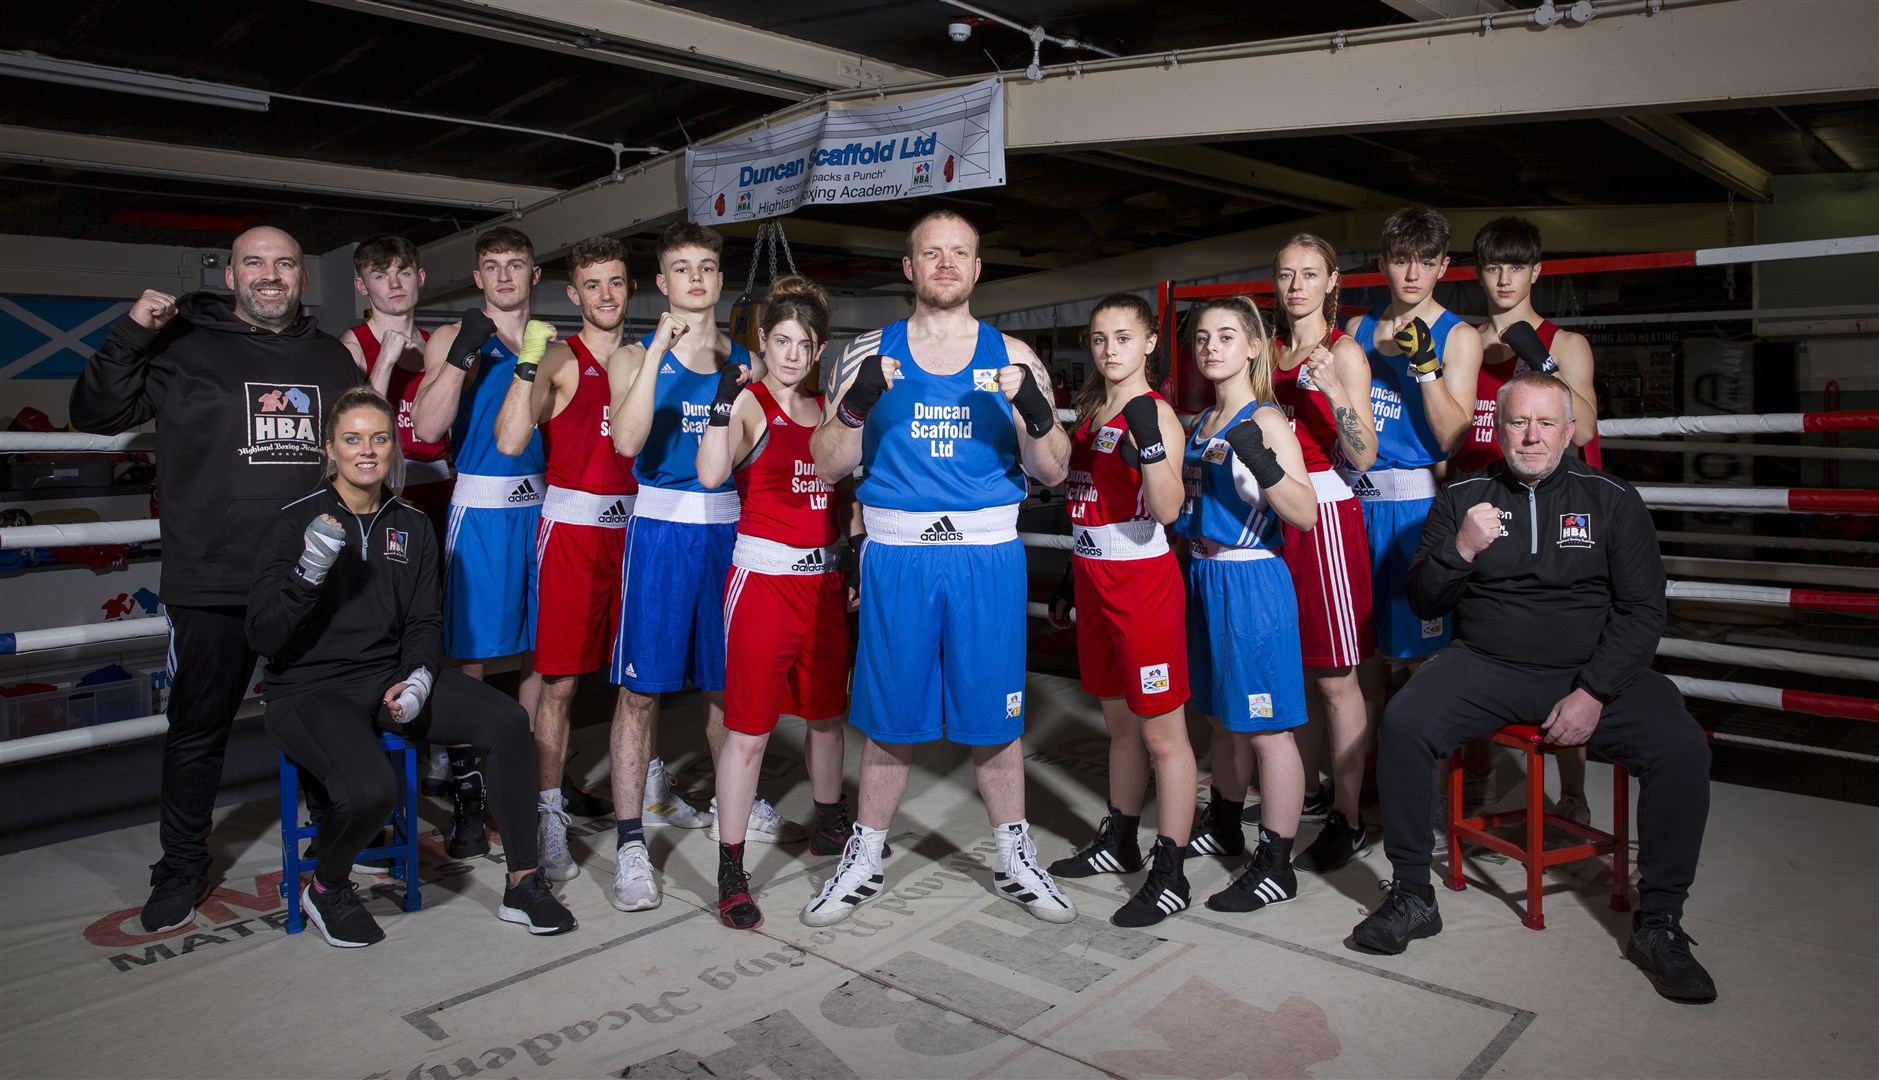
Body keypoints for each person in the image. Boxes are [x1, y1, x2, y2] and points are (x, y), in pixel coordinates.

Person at [1353, 371, 1715, 1005]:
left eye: (1547, 423)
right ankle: (1412, 896)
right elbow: (1421, 599)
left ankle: (1660, 925)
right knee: (1405, 724)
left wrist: (1595, 692)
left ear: (1569, 432)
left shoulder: (1611, 498)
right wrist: (1461, 548)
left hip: (1592, 670)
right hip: (1488, 662)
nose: (1532, 435)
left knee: (1682, 747)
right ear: (1499, 427)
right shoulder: (1464, 495)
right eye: (1519, 421)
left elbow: (1643, 611)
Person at [70, 225, 360, 933]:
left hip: (311, 578)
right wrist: (132, 333)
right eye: (254, 263)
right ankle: (182, 866)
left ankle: (332, 868)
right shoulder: (181, 346)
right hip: (212, 579)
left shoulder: (328, 357)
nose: (270, 275)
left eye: (285, 263)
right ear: (229, 276)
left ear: (301, 275)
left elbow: (356, 458)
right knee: (197, 731)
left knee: (328, 726)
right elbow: (95, 414)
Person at [801, 210, 1076, 927]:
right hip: (897, 556)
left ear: (977, 268)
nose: (946, 264)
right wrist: (859, 402)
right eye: (932, 254)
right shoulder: (866, 351)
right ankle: (863, 856)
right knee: (891, 718)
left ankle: (1014, 856)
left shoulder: (1011, 354)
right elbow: (824, 464)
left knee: (996, 717)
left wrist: (1035, 409)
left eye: (959, 254)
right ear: (909, 266)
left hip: (985, 556)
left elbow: (1055, 470)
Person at [247, 388, 576, 947]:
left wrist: (420, 676)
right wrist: (307, 575)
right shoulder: (292, 523)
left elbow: (424, 621)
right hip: (307, 689)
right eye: (352, 439)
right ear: (329, 449)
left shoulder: (412, 525)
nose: (367, 451)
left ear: (393, 445)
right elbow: (263, 636)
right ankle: (326, 888)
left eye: (378, 438)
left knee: (506, 723)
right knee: (372, 789)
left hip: (385, 677)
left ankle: (522, 882)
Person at [608, 223, 797, 911]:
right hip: (659, 531)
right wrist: (660, 347)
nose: (695, 278)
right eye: (681, 268)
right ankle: (631, 842)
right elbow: (627, 443)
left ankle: (729, 807)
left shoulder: (747, 361)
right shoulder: (633, 356)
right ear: (661, 283)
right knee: (638, 694)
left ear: (719, 281)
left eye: (707, 267)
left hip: (727, 534)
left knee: (727, 687)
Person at [489, 236, 667, 907]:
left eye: (615, 282)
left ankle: (633, 820)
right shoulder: (560, 359)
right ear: (573, 293)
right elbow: (509, 440)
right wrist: (526, 364)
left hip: (638, 534)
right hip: (570, 535)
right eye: (592, 284)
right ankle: (548, 817)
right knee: (559, 684)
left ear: (629, 287)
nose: (605, 295)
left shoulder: (647, 358)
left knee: (635, 683)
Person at [697, 276, 865, 931]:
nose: (792, 354)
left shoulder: (828, 410)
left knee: (826, 717)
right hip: (762, 583)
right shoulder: (751, 402)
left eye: (804, 344)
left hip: (821, 584)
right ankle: (730, 869)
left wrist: (849, 553)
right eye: (781, 341)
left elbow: (843, 494)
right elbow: (711, 473)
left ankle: (829, 822)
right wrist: (718, 403)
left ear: (818, 349)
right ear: (762, 341)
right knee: (749, 733)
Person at [1043, 292, 1195, 927]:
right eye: (1100, 339)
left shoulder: (1154, 414)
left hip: (1141, 584)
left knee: (1164, 734)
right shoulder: (1089, 412)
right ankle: (1122, 838)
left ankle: (1171, 870)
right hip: (1093, 579)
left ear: (1150, 343)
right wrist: (1067, 581)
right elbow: (1078, 497)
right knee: (1121, 728)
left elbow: (1166, 509)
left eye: (1124, 338)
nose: (1110, 350)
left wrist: (1151, 448)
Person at [1175, 297, 1321, 914]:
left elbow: (1305, 513)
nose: (1212, 346)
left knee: (1268, 730)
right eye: (1204, 336)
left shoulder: (1268, 421)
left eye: (1227, 335)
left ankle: (1276, 862)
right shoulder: (1203, 420)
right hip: (1203, 576)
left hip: (1252, 582)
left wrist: (1262, 462)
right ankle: (1228, 821)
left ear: (1255, 346)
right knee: (1218, 716)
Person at [410, 226, 547, 861]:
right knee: (469, 660)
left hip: (544, 507)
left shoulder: (554, 344)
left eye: (514, 265)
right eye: (491, 267)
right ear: (476, 277)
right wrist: (466, 353)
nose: (503, 278)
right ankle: (468, 796)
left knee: (543, 656)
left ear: (534, 275)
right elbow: (429, 428)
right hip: (482, 508)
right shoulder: (449, 336)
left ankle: (533, 779)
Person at [1465, 216, 1605, 823]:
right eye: (1493, 266)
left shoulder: (1566, 342)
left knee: (1565, 647)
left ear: (1535, 272)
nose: (1503, 278)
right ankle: (1477, 776)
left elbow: (1589, 427)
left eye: (1515, 266)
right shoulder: (1465, 341)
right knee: (1474, 637)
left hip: (1556, 510)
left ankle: (1571, 789)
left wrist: (1540, 363)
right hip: (1484, 502)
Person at [1344, 208, 1483, 808]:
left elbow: (1453, 437)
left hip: (1417, 512)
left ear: (1443, 267)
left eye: (1426, 261)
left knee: (1425, 660)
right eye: (1401, 259)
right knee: (1361, 659)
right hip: (1354, 503)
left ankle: (1424, 792)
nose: (1412, 272)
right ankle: (1365, 774)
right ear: (1383, 263)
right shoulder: (1354, 329)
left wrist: (1425, 367)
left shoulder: (1460, 336)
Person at [1268, 235, 1379, 873]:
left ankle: (1349, 817)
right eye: (1286, 275)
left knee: (1338, 679)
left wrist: (1335, 391)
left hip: (1329, 519)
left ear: (1332, 281)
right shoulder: (1273, 350)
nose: (1297, 286)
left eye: (1309, 274)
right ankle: (1308, 795)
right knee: (1298, 669)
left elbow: (1364, 456)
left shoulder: (1344, 352)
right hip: (1276, 517)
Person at [337, 234, 457, 799]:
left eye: (403, 272)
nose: (395, 283)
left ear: (420, 277)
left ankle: (436, 745)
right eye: (381, 276)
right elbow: (358, 418)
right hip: (382, 495)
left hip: (437, 488)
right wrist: (387, 354)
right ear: (363, 285)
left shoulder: (438, 342)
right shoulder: (354, 342)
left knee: (435, 618)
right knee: (384, 618)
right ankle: (377, 750)